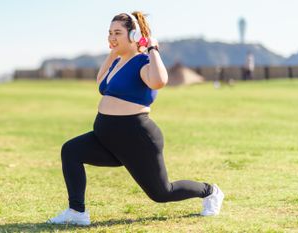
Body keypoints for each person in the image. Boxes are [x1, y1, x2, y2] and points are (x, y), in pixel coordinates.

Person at [47, 11, 224, 226]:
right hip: (106, 136)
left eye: (117, 33)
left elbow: (159, 81)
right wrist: (113, 53)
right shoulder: (118, 61)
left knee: (161, 193)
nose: (111, 37)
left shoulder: (143, 62)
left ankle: (210, 191)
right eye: (110, 32)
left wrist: (152, 48)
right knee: (71, 151)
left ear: (132, 36)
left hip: (136, 138)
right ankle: (77, 212)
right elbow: (101, 82)